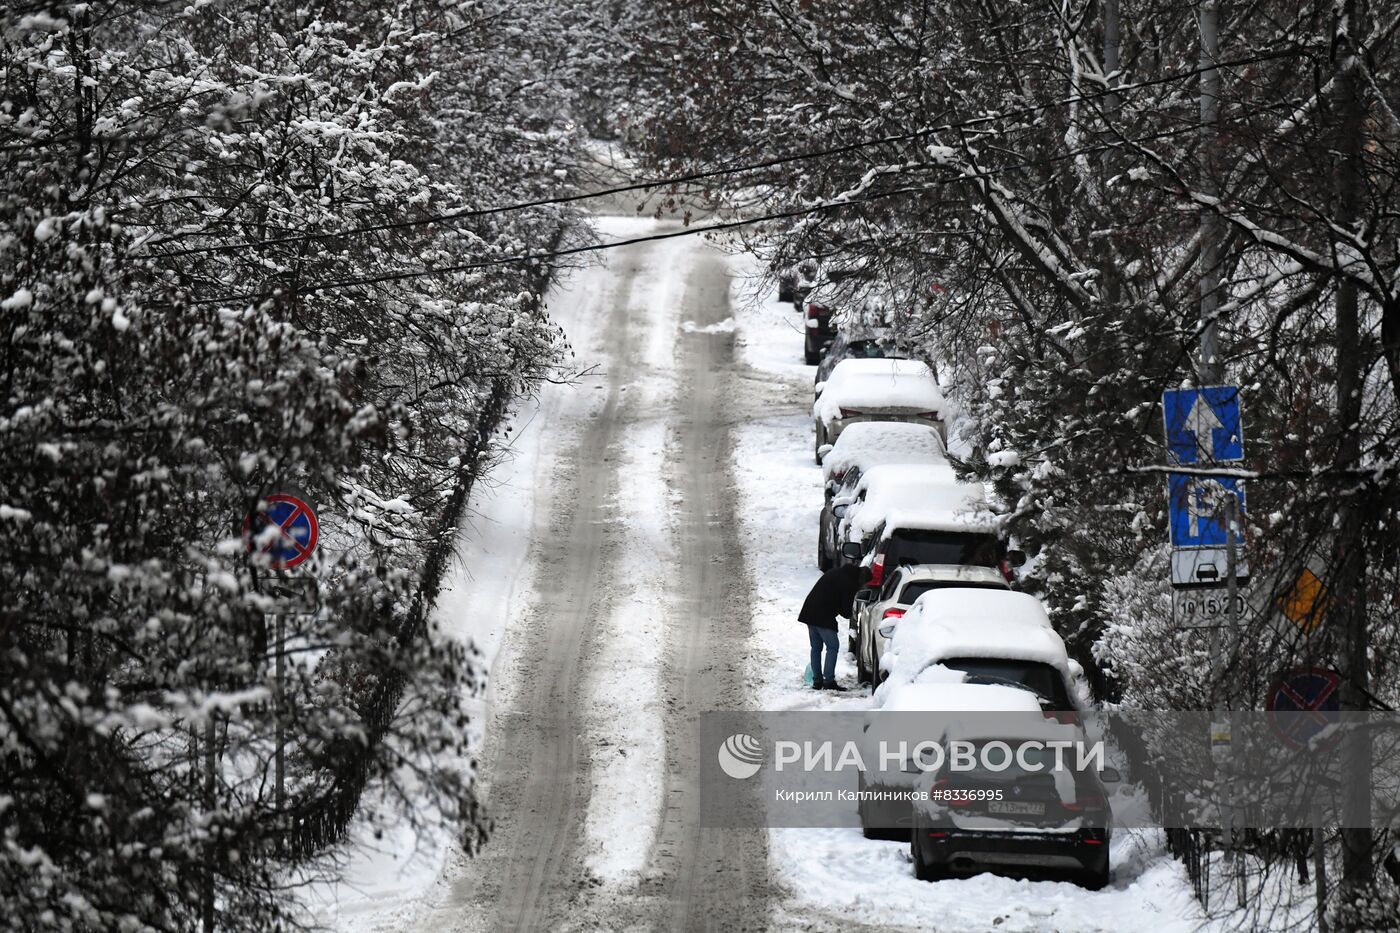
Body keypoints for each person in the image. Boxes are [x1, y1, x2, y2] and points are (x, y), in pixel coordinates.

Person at [797, 562, 868, 691]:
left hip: (809, 610)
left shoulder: (836, 571)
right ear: (861, 580)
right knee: (833, 646)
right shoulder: (850, 584)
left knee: (816, 648)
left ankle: (817, 681)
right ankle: (828, 680)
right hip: (823, 615)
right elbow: (846, 612)